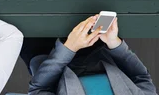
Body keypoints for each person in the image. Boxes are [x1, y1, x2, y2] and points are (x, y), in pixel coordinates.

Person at [21, 15, 157, 95]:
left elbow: (40, 88)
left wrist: (69, 47)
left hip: (47, 54)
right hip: (96, 43)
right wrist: (114, 43)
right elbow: (140, 77)